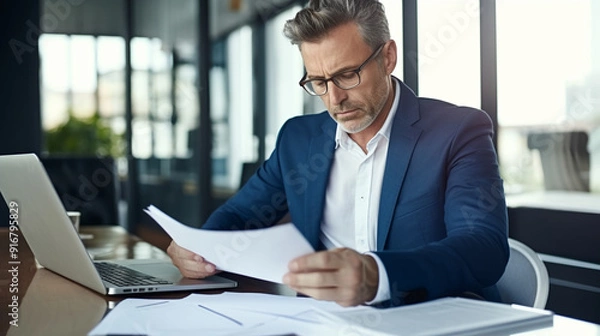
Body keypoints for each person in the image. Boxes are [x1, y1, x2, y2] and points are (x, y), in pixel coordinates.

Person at [167, 0, 508, 308]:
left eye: (347, 75)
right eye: (318, 81)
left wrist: (377, 275)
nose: (334, 99)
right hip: (322, 323)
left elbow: (483, 248)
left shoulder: (458, 130)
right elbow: (240, 216)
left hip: (429, 319)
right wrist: (199, 249)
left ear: (388, 57)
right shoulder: (297, 140)